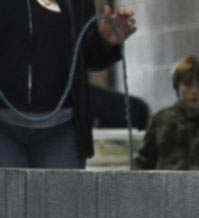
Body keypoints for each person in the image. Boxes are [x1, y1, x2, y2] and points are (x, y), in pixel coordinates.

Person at [0, 1, 137, 169]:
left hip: (62, 130)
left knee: (62, 195)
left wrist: (104, 39)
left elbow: (86, 58)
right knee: (8, 195)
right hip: (4, 130)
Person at [134, 56, 199, 171]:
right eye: (188, 84)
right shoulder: (162, 119)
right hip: (166, 185)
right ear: (177, 87)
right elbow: (145, 160)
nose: (194, 91)